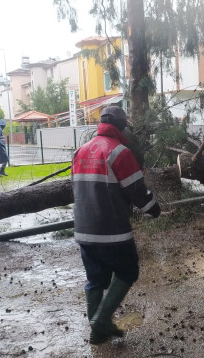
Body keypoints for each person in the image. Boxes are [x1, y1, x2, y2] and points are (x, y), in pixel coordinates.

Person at [71, 106, 161, 344]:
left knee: (96, 280)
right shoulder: (119, 152)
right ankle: (101, 320)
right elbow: (137, 191)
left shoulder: (80, 151)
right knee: (128, 271)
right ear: (121, 127)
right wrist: (153, 208)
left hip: (83, 231)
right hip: (112, 232)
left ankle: (96, 333)